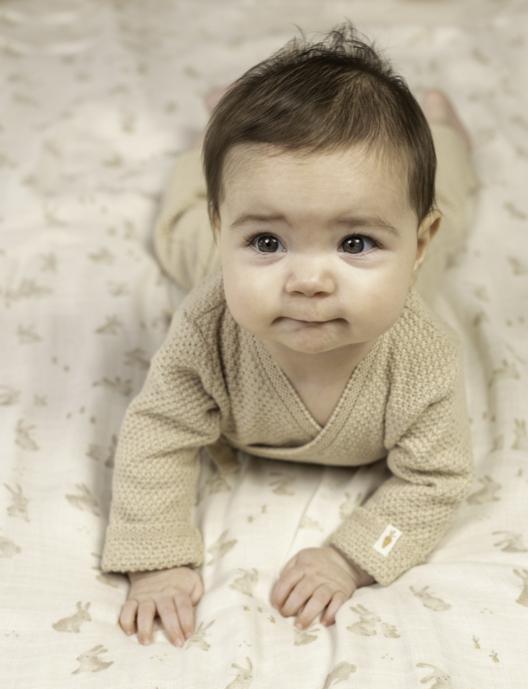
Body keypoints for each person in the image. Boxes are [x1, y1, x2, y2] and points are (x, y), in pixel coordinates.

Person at [100, 21, 477, 648]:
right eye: (267, 241)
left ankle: (445, 132)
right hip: (212, 243)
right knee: (177, 225)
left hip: (409, 258)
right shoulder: (209, 324)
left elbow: (435, 483)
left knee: (453, 202)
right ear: (228, 234)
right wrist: (158, 556)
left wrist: (354, 557)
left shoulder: (422, 357)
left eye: (356, 242)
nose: (306, 279)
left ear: (414, 243)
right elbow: (156, 433)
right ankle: (218, 137)